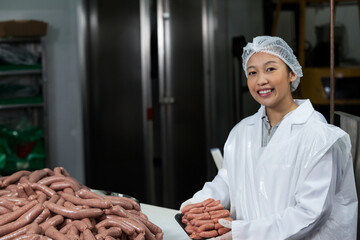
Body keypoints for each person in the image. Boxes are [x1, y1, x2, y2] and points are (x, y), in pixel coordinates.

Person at [180, 36, 358, 240]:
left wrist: (242, 232)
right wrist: (197, 205)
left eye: (270, 69)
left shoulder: (318, 137)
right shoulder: (242, 132)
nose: (261, 80)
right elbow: (228, 181)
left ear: (292, 73)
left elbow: (310, 214)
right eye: (252, 72)